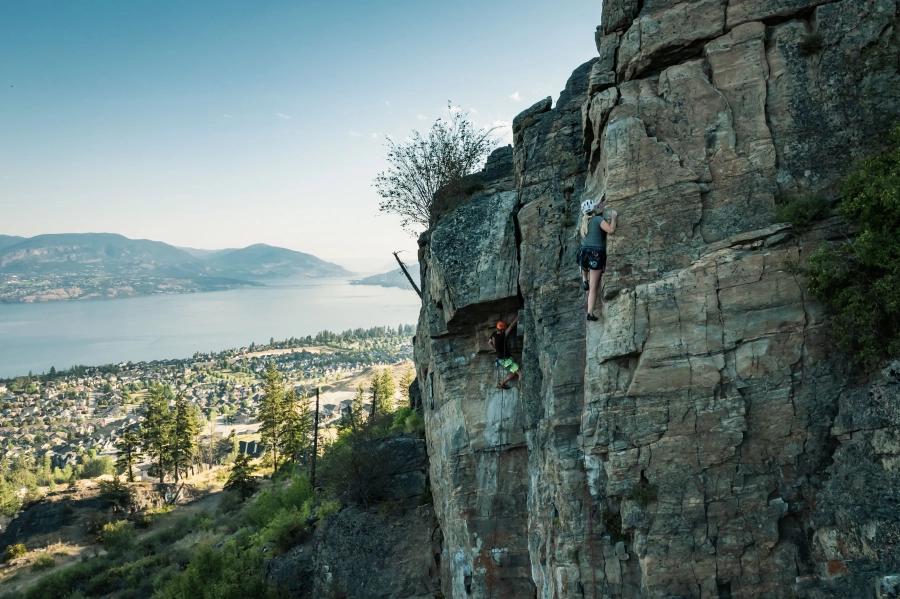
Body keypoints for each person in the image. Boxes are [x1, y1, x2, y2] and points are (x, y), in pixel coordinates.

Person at [577, 195, 618, 321]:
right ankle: (590, 313)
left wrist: (600, 201)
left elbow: (592, 208)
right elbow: (610, 230)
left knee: (584, 265)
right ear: (594, 210)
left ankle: (584, 280)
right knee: (594, 286)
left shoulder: (583, 221)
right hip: (595, 255)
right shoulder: (598, 220)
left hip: (583, 254)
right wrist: (613, 217)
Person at [488, 316, 520, 389]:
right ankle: (520, 387)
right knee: (519, 372)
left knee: (514, 371)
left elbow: (489, 342)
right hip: (506, 359)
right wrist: (518, 317)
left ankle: (501, 384)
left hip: (501, 359)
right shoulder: (502, 336)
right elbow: (511, 326)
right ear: (503, 329)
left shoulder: (494, 334)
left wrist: (495, 349)